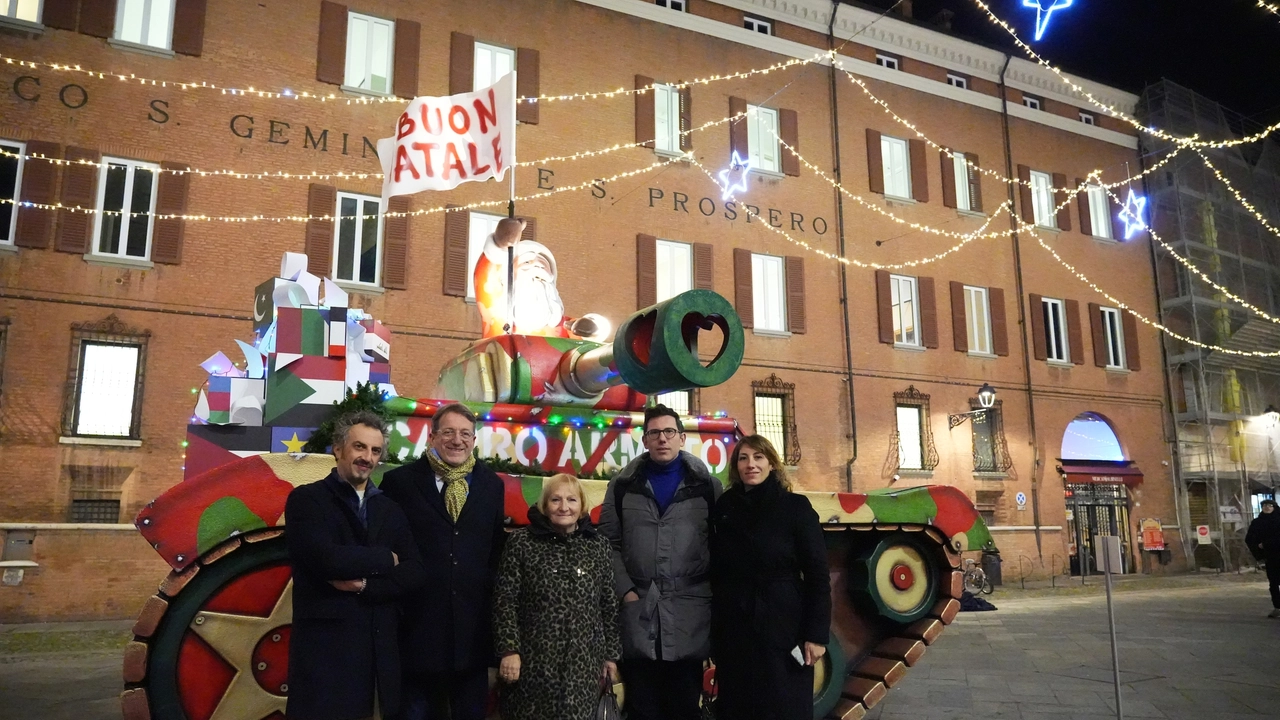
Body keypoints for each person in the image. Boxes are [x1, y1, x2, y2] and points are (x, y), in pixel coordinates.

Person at [285, 411, 425, 720]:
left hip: (379, 658)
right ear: (338, 449)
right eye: (359, 447)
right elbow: (326, 559)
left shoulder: (390, 509)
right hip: (325, 661)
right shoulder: (307, 500)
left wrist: (365, 585)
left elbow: (415, 571)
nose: (367, 457)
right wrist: (386, 559)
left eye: (375, 451)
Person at [380, 403, 507, 720]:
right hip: (415, 633)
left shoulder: (492, 485)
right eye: (448, 432)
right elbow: (384, 547)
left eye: (465, 433)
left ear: (474, 441)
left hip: (472, 636)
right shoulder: (399, 484)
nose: (457, 440)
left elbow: (494, 552)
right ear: (432, 437)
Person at [597, 404, 722, 720]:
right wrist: (626, 591)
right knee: (642, 708)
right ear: (644, 439)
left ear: (681, 438)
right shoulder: (623, 487)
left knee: (683, 707)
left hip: (689, 615)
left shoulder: (707, 487)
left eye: (669, 432)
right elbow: (607, 544)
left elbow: (722, 547)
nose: (662, 439)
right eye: (654, 433)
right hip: (640, 615)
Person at [708, 434, 832, 720]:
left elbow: (816, 574)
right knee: (738, 705)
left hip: (783, 624)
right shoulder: (725, 508)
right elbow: (718, 571)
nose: (751, 464)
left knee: (782, 704)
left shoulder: (795, 508)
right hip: (735, 626)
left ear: (772, 464)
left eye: (758, 457)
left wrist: (816, 634)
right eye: (743, 458)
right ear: (736, 467)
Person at [492, 473, 621, 720]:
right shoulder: (522, 542)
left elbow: (608, 604)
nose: (564, 507)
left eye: (572, 500)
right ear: (544, 504)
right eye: (556, 500)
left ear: (582, 505)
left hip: (583, 667)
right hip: (531, 664)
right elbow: (504, 601)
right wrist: (509, 650)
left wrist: (611, 657)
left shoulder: (598, 546)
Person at [1245, 498, 1280, 618]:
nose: (1267, 507)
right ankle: (1277, 607)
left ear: (1274, 507)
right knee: (1273, 583)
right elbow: (1250, 539)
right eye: (1265, 505)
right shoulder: (1257, 522)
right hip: (1269, 557)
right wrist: (1259, 554)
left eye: (1270, 505)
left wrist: (1266, 544)